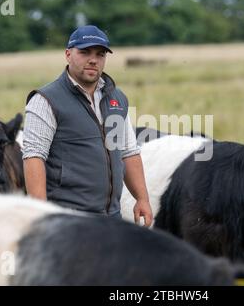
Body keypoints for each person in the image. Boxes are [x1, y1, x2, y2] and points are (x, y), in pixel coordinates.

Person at [22, 25, 153, 226]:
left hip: (112, 218)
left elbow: (128, 152)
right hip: (68, 221)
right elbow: (34, 157)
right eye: (84, 52)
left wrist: (142, 198)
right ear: (68, 54)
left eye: (100, 54)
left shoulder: (116, 99)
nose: (93, 59)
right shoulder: (45, 100)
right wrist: (41, 216)